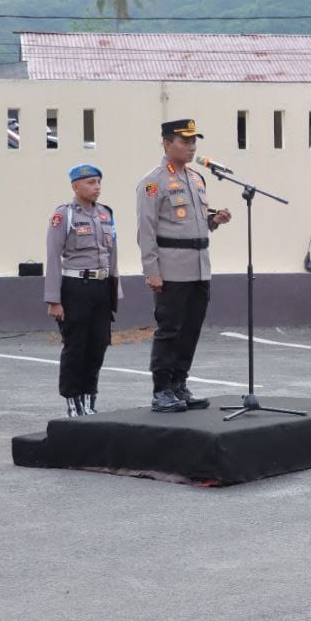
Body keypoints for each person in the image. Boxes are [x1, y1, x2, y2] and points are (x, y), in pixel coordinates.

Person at [137, 119, 232, 412]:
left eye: (194, 142)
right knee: (170, 329)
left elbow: (191, 222)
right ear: (166, 143)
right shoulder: (153, 182)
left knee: (191, 329)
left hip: (199, 266)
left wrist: (213, 221)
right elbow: (146, 230)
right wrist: (152, 271)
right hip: (172, 268)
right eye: (184, 141)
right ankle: (162, 390)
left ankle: (179, 384)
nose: (191, 147)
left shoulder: (196, 178)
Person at [45, 164, 120, 417]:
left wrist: (114, 292)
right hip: (76, 287)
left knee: (98, 345)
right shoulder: (64, 215)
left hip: (101, 287)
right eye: (90, 183)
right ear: (75, 186)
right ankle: (72, 401)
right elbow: (53, 256)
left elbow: (112, 254)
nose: (96, 187)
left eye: (98, 182)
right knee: (75, 346)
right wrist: (54, 299)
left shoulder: (105, 214)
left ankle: (89, 399)